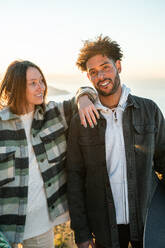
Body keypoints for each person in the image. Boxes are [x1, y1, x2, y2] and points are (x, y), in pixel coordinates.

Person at [66, 35, 165, 248]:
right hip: (104, 227)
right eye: (93, 72)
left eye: (106, 67)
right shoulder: (81, 121)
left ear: (118, 66)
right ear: (89, 77)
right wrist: (82, 234)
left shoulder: (149, 111)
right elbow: (74, 178)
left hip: (149, 224)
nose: (101, 76)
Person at [0, 60, 98, 248]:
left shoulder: (54, 114)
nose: (41, 88)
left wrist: (84, 99)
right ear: (16, 87)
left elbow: (87, 90)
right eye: (33, 83)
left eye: (42, 81)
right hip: (5, 227)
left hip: (40, 223)